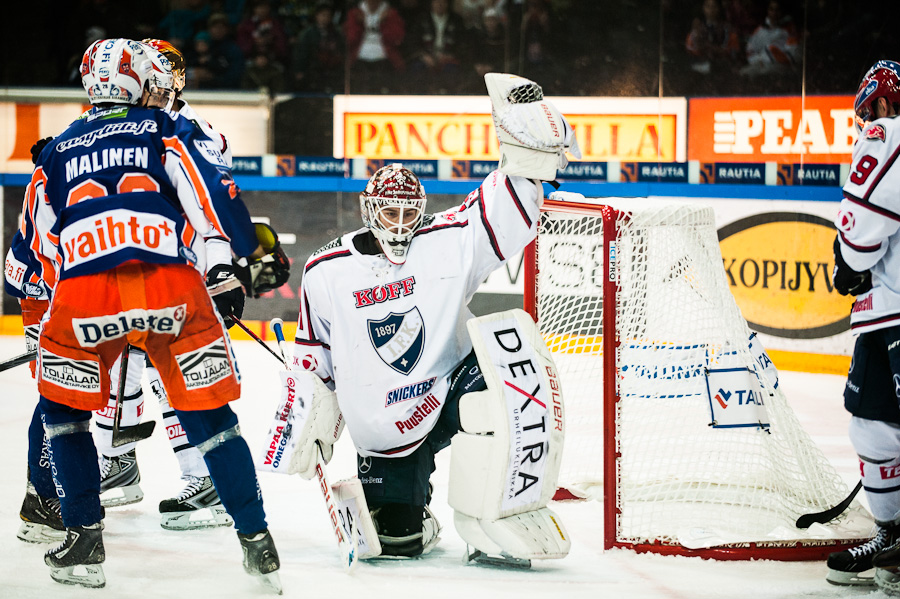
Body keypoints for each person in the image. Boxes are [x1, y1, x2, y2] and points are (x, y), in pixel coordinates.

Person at [14, 38, 286, 590]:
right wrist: (248, 254)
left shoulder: (53, 151)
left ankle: (84, 541)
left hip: (85, 294)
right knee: (212, 419)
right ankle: (257, 540)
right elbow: (213, 198)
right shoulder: (165, 128)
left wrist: (45, 317)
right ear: (140, 81)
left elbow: (38, 245)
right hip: (170, 286)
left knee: (63, 417)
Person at [288, 73, 577, 562]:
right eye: (389, 214)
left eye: (408, 214)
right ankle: (410, 507)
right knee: (399, 542)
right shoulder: (325, 271)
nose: (400, 225)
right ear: (368, 211)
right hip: (386, 426)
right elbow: (314, 359)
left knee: (512, 373)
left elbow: (503, 202)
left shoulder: (444, 242)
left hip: (450, 387)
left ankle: (493, 514)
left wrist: (524, 138)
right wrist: (312, 425)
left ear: (420, 212)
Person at [826, 60, 900, 592]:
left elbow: (858, 241)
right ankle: (892, 538)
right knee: (872, 422)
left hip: (895, 309)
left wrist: (847, 265)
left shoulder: (887, 133)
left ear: (878, 104)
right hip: (888, 317)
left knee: (873, 423)